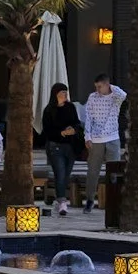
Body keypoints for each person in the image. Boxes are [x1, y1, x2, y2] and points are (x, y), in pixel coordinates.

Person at [80, 74, 128, 222]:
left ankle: (113, 201)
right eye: (96, 87)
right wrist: (87, 136)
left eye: (100, 86)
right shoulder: (93, 98)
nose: (98, 89)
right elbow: (88, 117)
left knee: (114, 171)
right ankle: (89, 200)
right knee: (93, 170)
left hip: (112, 137)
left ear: (107, 85)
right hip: (96, 138)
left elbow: (124, 95)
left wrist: (110, 87)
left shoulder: (115, 96)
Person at [38, 83, 84, 214]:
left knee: (66, 174)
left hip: (70, 146)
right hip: (55, 146)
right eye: (61, 93)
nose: (64, 95)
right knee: (60, 173)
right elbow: (47, 131)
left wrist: (73, 130)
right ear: (55, 95)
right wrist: (61, 133)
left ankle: (60, 198)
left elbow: (77, 123)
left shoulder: (70, 107)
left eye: (65, 93)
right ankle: (62, 201)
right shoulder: (49, 110)